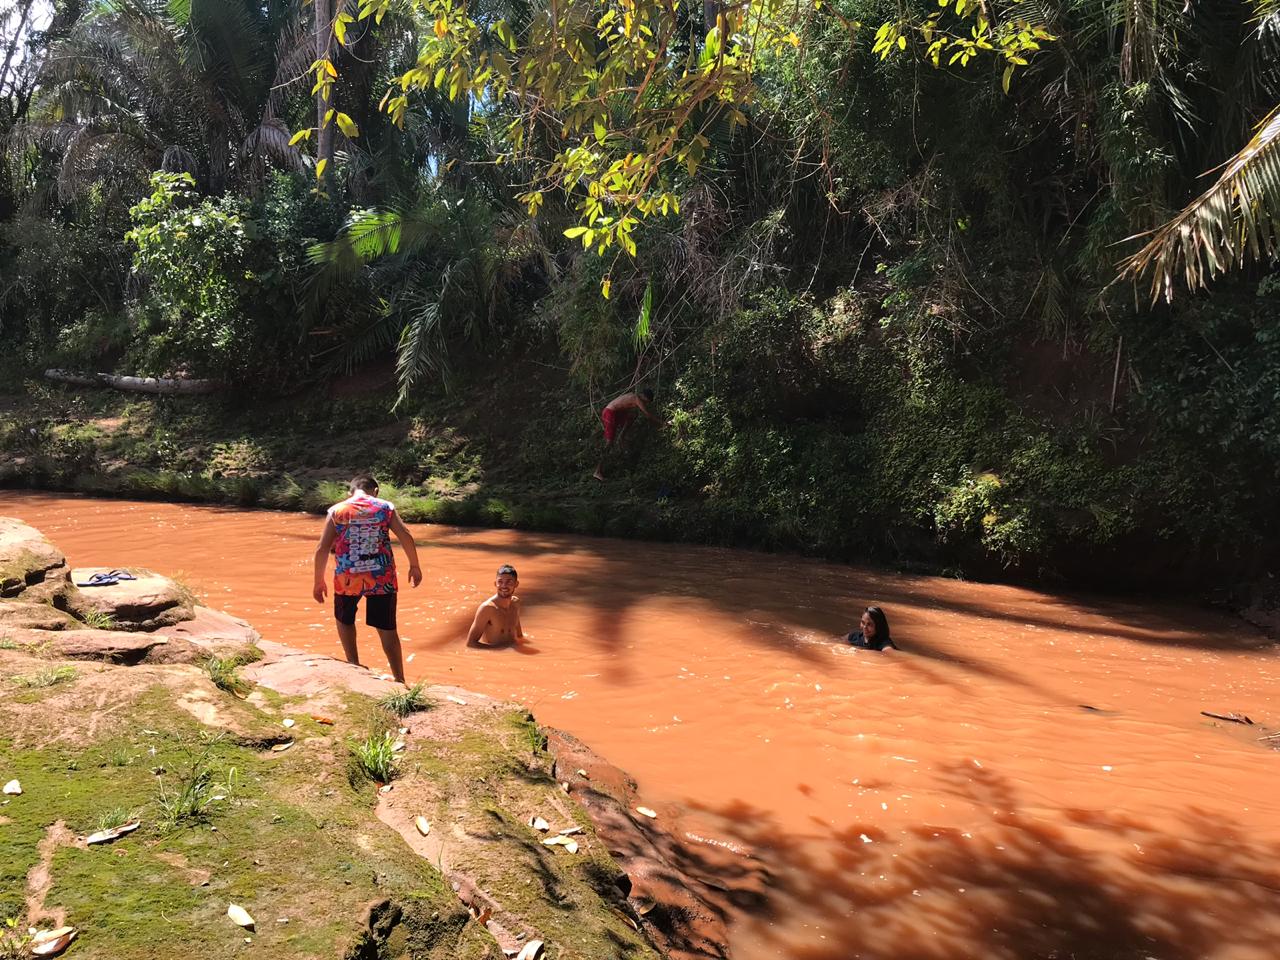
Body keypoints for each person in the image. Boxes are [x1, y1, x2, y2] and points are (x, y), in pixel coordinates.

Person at [312, 474, 422, 683]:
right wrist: (414, 565)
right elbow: (405, 534)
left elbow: (322, 548)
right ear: (376, 490)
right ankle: (400, 679)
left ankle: (354, 665)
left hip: (347, 578)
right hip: (381, 577)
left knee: (344, 619)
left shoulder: (337, 510)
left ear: (350, 492)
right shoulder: (385, 507)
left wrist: (318, 581)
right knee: (387, 627)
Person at [593, 388, 661, 480]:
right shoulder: (636, 399)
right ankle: (597, 471)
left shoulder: (632, 395)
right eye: (647, 401)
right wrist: (663, 423)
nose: (646, 403)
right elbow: (647, 414)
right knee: (609, 443)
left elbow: (624, 408)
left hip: (616, 413)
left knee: (633, 415)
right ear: (644, 397)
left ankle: (621, 437)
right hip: (610, 413)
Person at [466, 564, 526, 648]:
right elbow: (471, 644)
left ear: (516, 584)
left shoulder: (515, 603)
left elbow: (519, 635)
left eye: (509, 582)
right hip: (495, 655)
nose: (504, 586)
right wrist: (499, 650)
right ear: (495, 583)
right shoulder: (487, 609)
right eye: (500, 582)